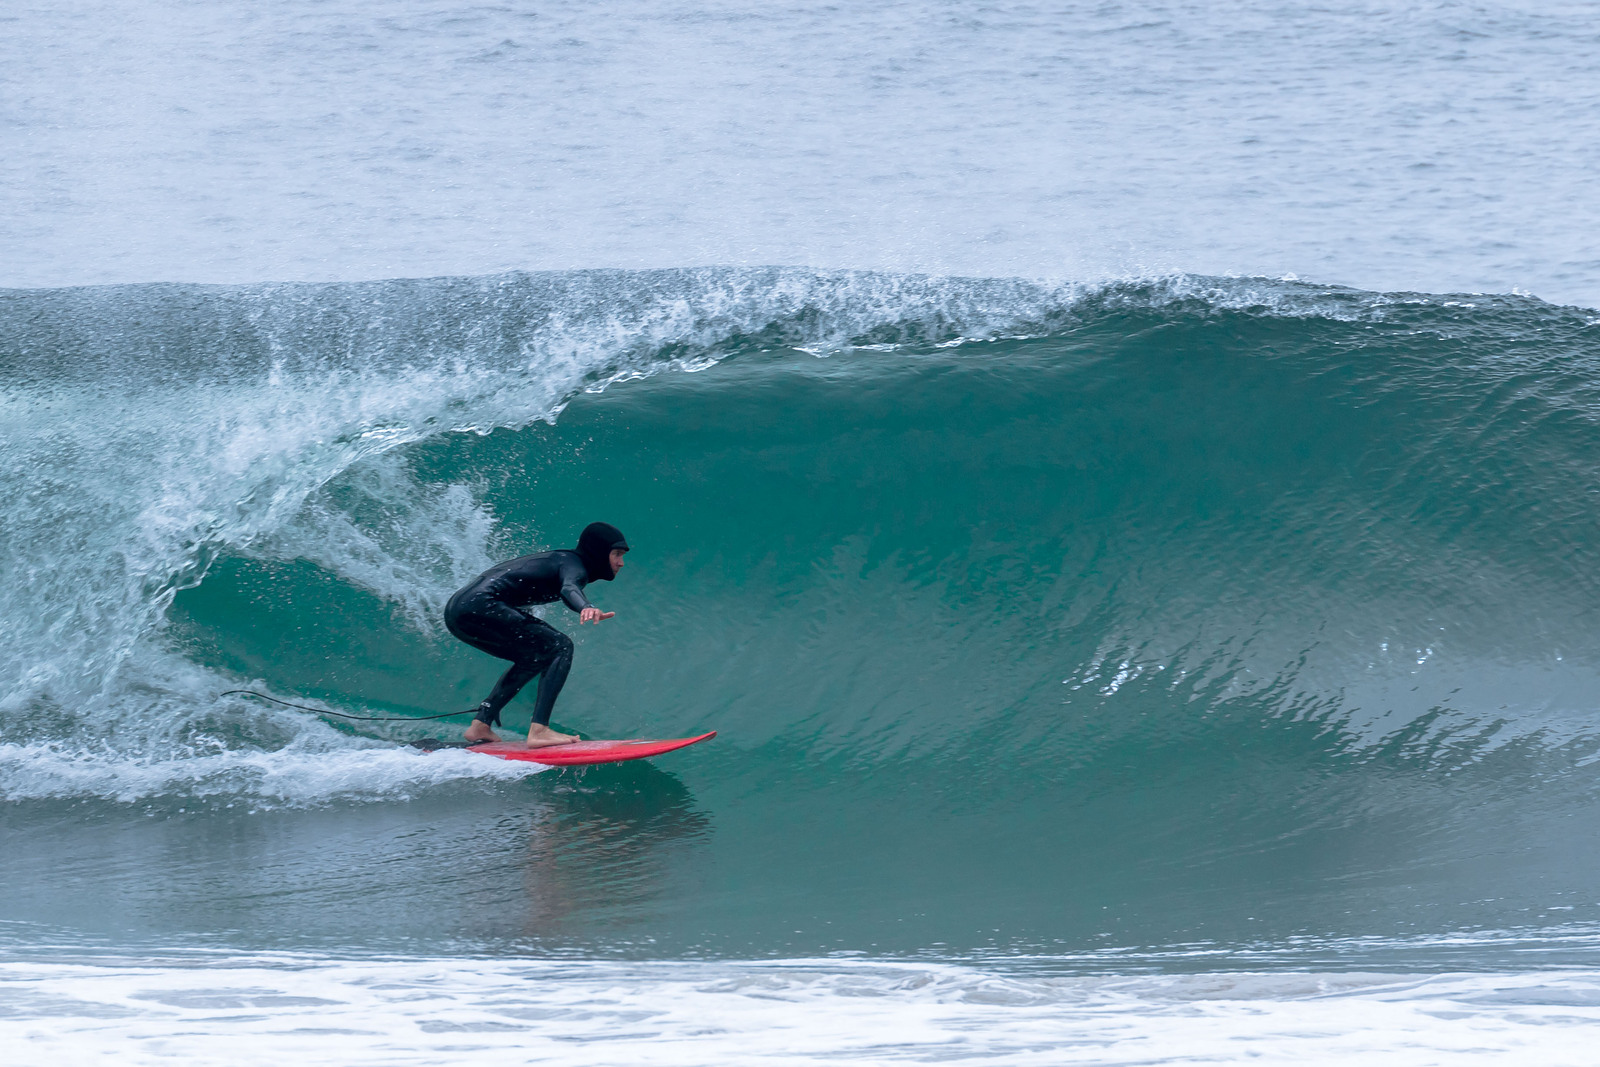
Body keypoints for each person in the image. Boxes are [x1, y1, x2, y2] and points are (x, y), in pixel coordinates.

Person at [444, 522, 629, 747]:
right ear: (599, 551)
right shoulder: (574, 565)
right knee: (561, 646)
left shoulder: (562, 560)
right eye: (616, 554)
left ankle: (481, 724)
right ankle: (539, 730)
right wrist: (585, 607)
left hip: (459, 610)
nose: (621, 563)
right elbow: (569, 588)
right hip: (480, 605)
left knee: (535, 656)